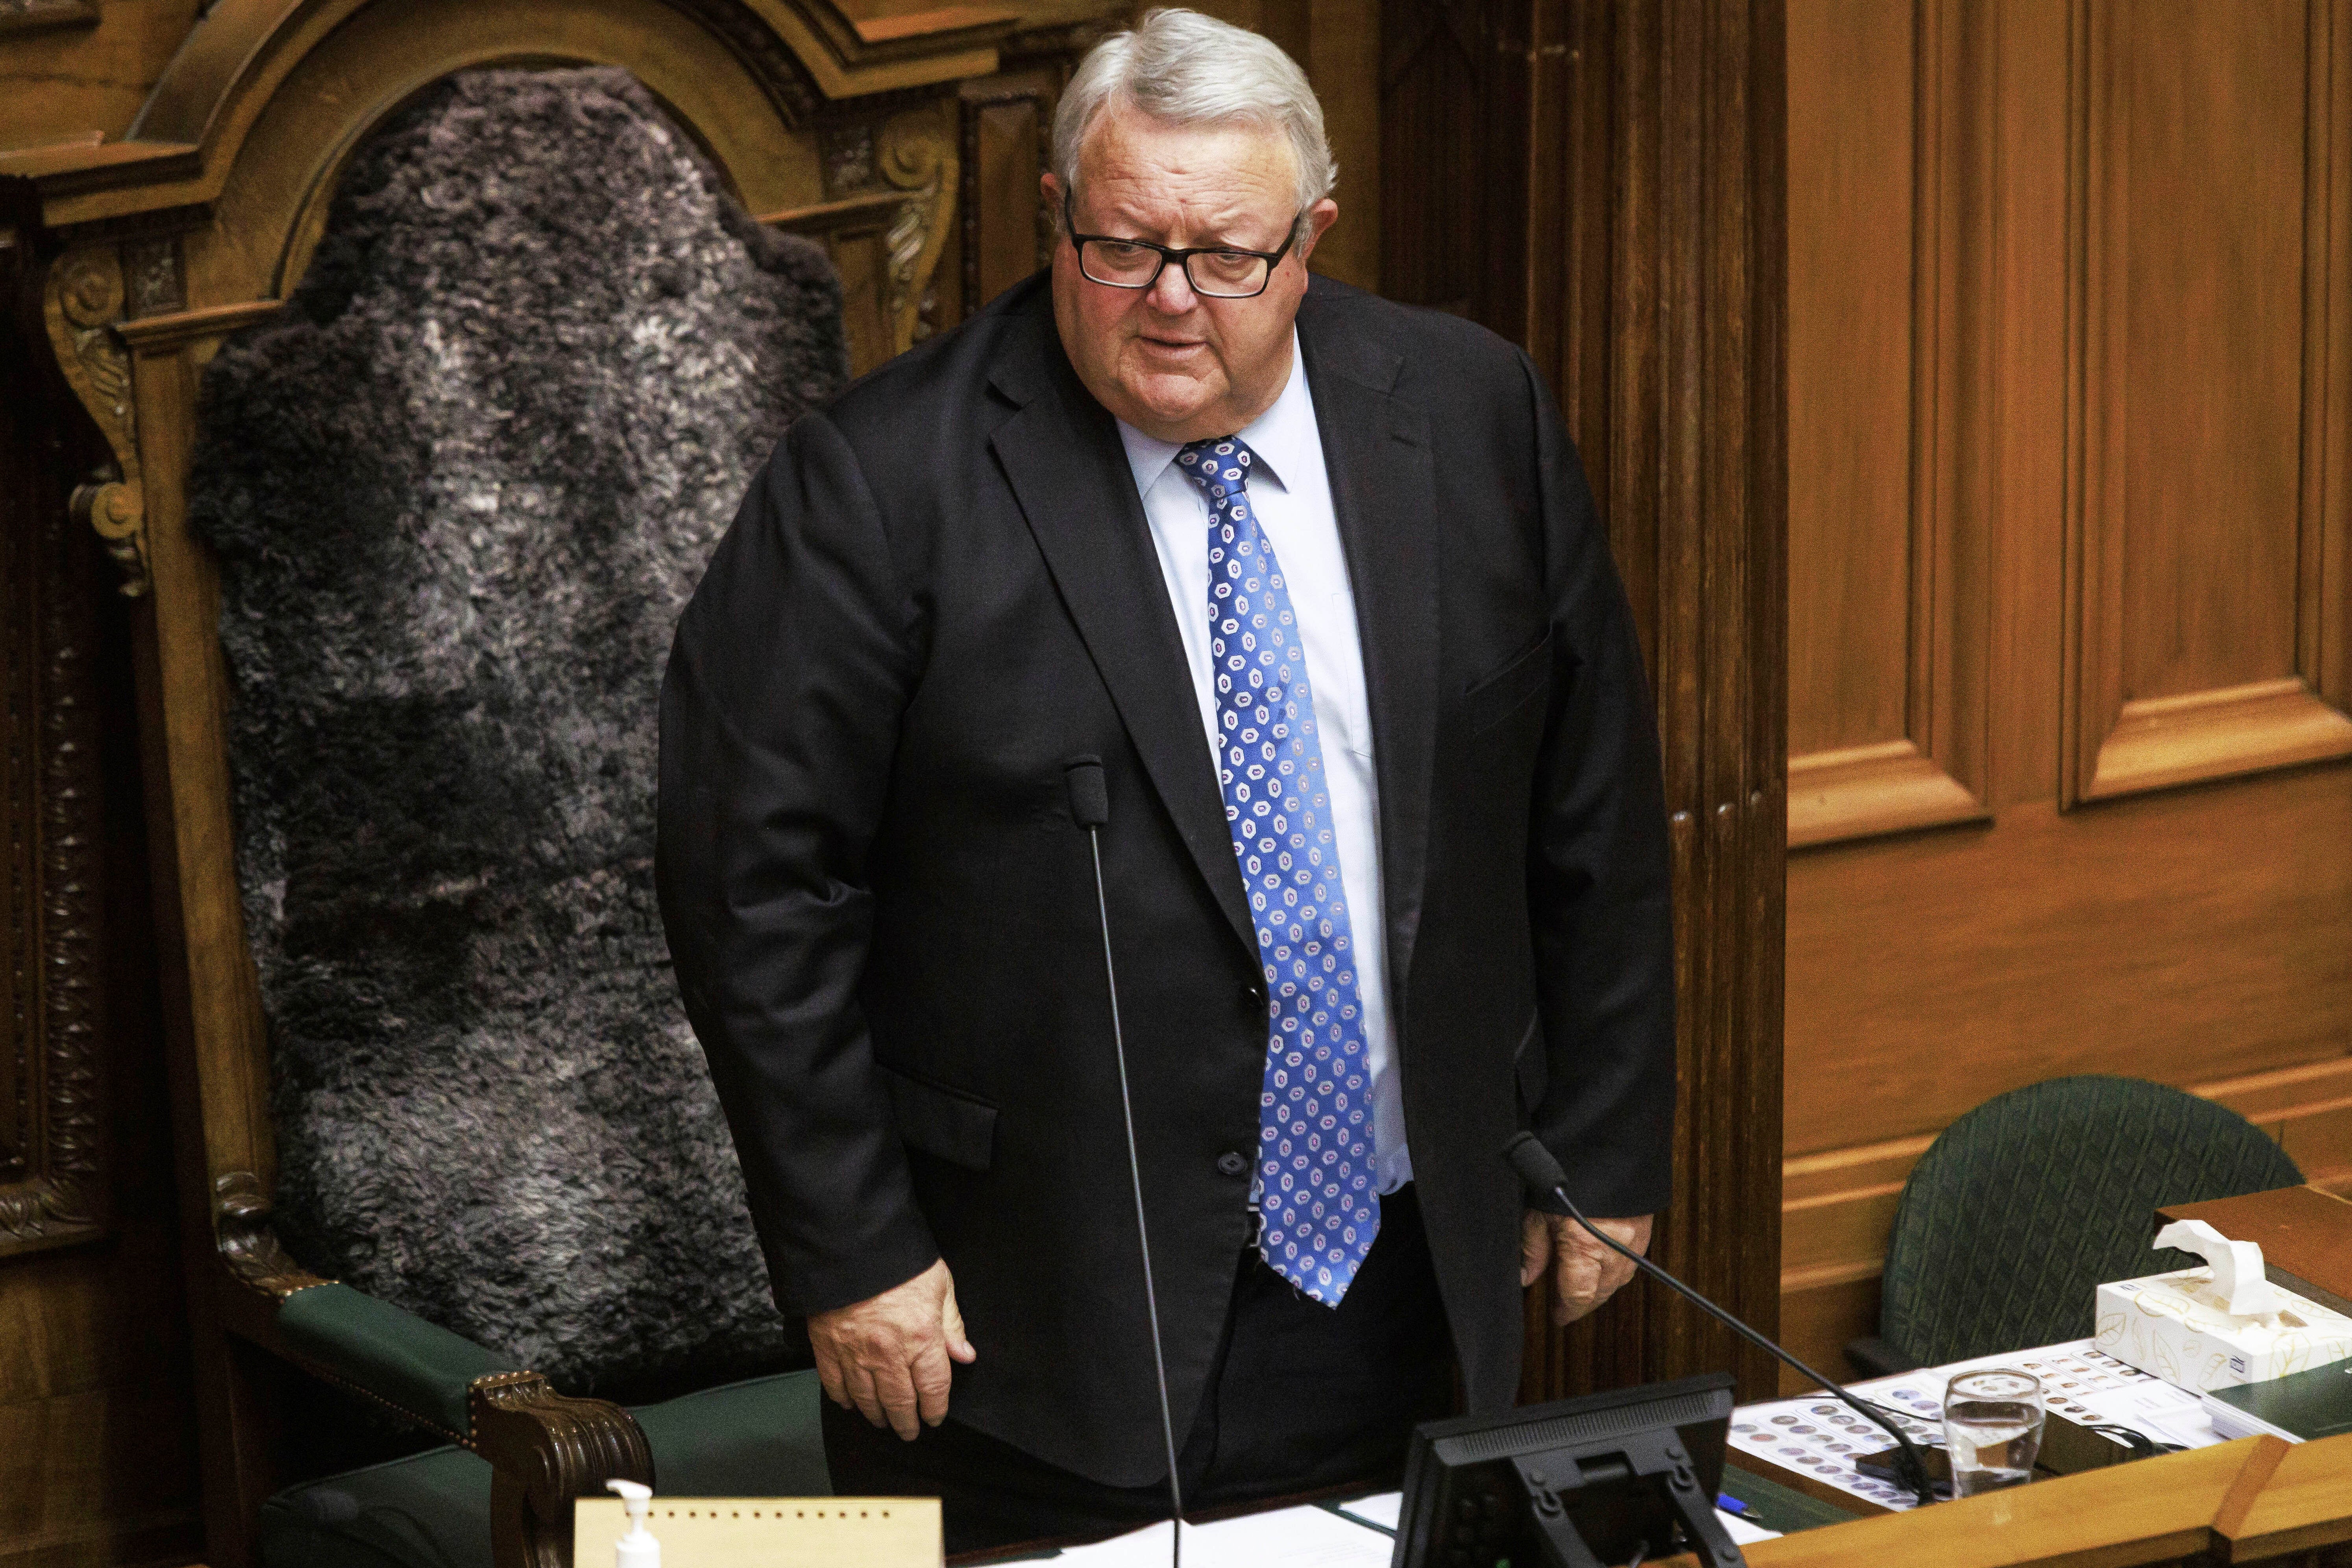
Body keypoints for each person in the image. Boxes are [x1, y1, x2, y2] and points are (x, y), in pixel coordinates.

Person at [655, 8, 1675, 1551]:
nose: (1173, 301)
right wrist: (853, 1253)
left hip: (1415, 1269)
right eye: (1125, 247)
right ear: (1056, 216)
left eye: (1227, 256)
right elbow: (751, 890)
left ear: (1312, 238)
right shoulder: (881, 484)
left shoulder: (1471, 415)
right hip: (1031, 1323)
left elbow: (1589, 803)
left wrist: (1602, 1137)